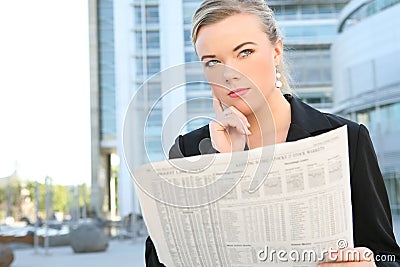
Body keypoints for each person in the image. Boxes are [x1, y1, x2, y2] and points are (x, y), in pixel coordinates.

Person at [145, 0, 400, 266]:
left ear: (276, 51)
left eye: (244, 52)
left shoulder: (346, 138)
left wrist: (370, 264)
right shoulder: (189, 151)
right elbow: (157, 259)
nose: (229, 74)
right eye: (213, 62)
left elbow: (388, 255)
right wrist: (219, 165)